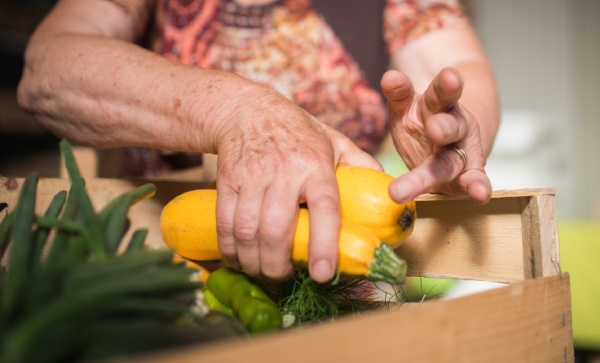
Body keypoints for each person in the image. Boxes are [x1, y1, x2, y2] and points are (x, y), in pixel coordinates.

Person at [17, 0, 500, 283]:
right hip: (162, 276)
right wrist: (235, 111)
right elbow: (48, 68)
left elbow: (459, 68)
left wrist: (457, 129)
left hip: (342, 281)